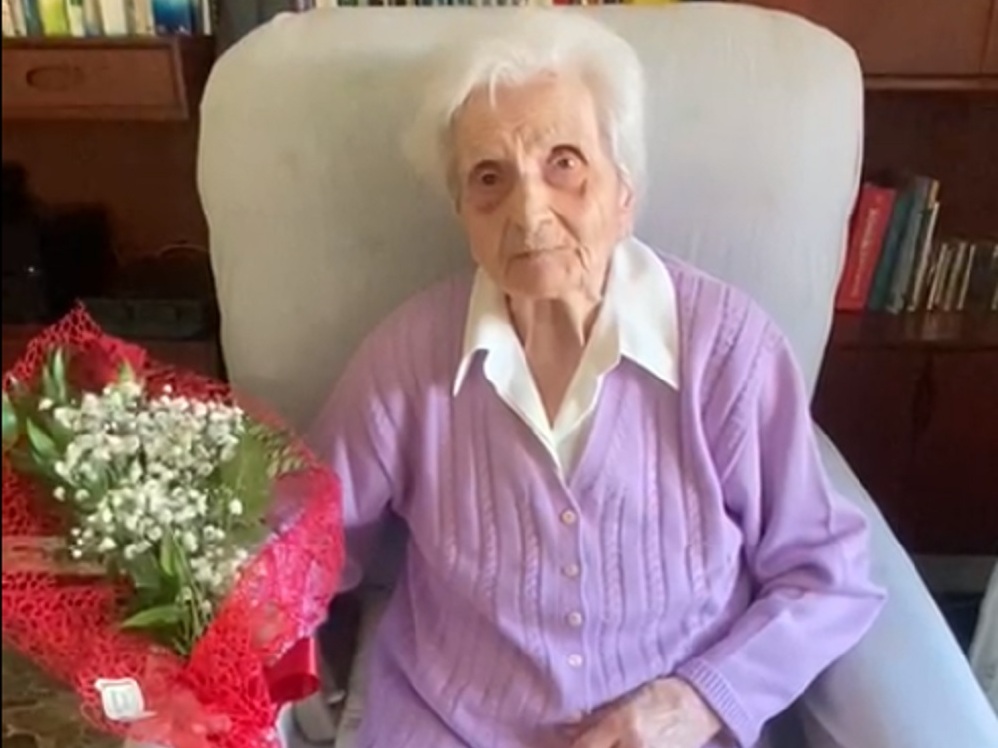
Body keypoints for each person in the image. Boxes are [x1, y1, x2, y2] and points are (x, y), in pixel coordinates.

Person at [308, 10, 886, 748]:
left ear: (624, 194)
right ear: (462, 213)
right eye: (489, 179)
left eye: (565, 163)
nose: (529, 212)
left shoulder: (727, 351)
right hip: (447, 726)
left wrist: (699, 700)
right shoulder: (406, 358)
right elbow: (302, 550)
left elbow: (828, 575)